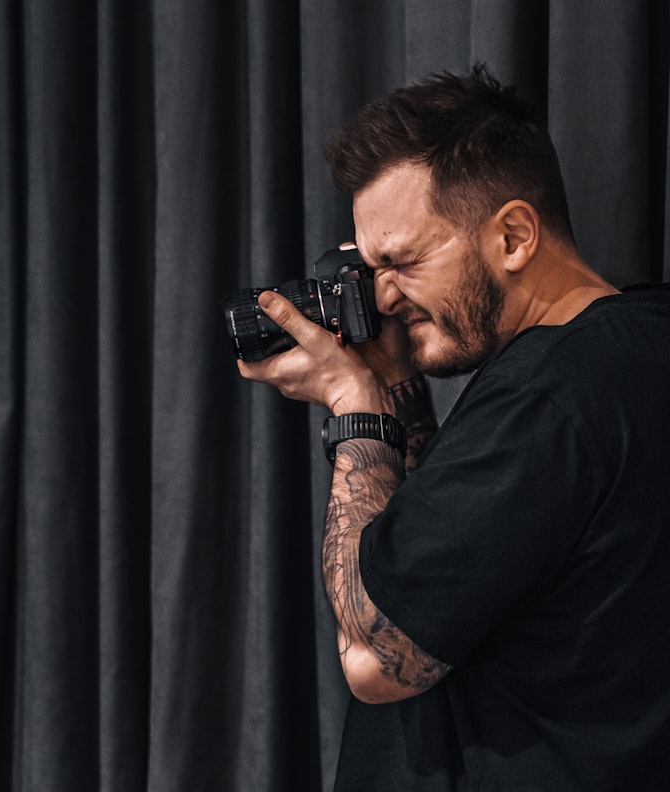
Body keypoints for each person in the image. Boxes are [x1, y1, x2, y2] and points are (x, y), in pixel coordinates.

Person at [238, 64, 670, 790]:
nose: (380, 297)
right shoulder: (635, 345)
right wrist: (398, 385)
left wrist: (355, 405)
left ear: (513, 237)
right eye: (368, 268)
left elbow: (378, 659)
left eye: (402, 261)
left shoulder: (543, 398)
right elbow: (469, 564)